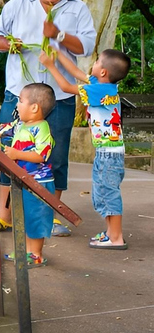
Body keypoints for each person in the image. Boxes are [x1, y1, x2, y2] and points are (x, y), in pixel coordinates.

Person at [0, 0, 96, 236]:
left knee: (55, 156)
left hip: (59, 97)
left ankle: (50, 215)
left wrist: (58, 34)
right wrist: (9, 45)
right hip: (19, 94)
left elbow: (85, 47)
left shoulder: (77, 9)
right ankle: (4, 215)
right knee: (9, 152)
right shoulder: (18, 4)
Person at [40, 48, 131, 249]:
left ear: (104, 72)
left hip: (109, 153)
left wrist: (49, 65)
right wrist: (58, 52)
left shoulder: (98, 90)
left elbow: (64, 85)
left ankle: (116, 237)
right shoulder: (101, 85)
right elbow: (76, 72)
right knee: (102, 192)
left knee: (108, 193)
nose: (94, 63)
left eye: (98, 61)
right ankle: (110, 233)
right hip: (107, 151)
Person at [0, 83, 57, 266]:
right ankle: (26, 250)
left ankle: (35, 253)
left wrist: (17, 154)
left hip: (39, 183)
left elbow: (41, 155)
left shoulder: (42, 128)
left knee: (36, 217)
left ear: (34, 107)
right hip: (22, 181)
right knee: (24, 216)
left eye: (20, 101)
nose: (16, 105)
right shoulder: (20, 125)